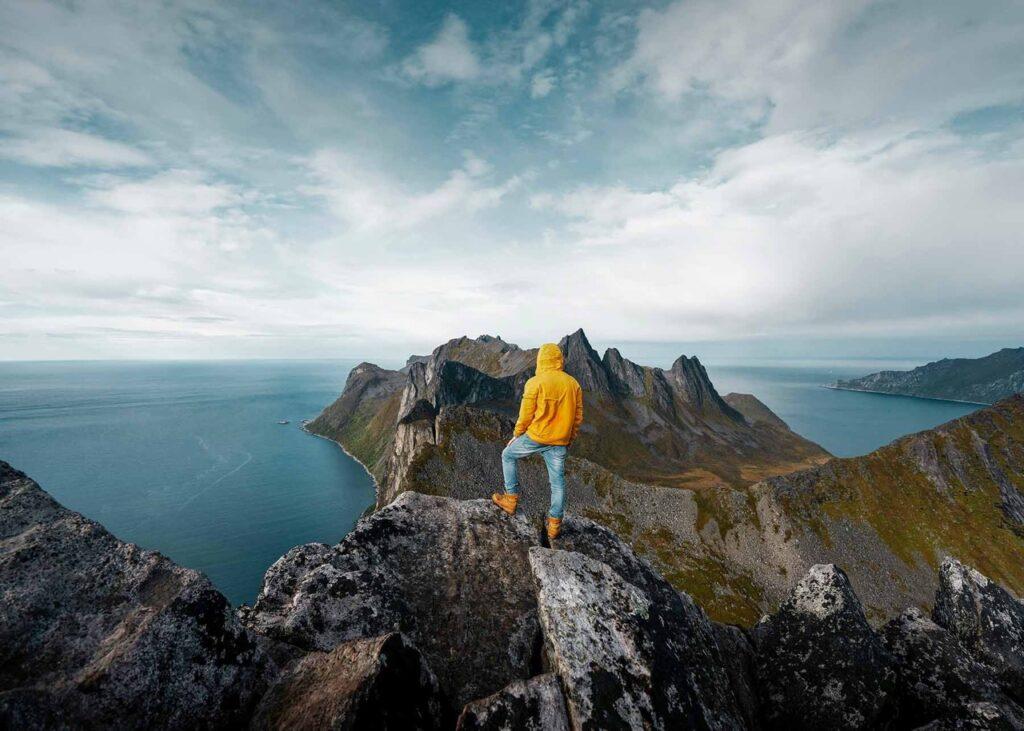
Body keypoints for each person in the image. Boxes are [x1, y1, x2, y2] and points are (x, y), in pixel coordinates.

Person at [492, 342, 583, 539]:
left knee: (507, 455)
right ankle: (554, 526)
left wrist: (517, 435)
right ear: (559, 360)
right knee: (557, 483)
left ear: (541, 360)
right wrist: (569, 438)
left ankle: (510, 500)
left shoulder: (535, 382)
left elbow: (525, 415)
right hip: (560, 441)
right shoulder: (573, 384)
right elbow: (578, 417)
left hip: (536, 437)